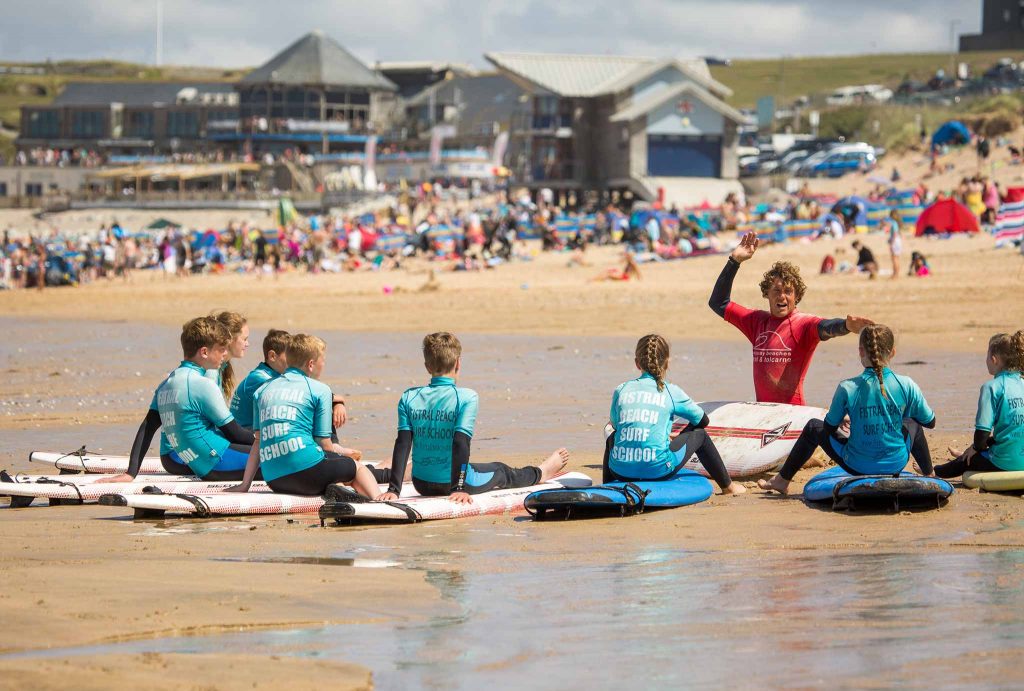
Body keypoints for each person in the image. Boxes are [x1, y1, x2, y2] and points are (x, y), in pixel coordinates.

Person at [376, 332, 569, 503]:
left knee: (470, 466)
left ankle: (402, 485)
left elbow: (403, 444)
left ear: (427, 367)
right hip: (452, 484)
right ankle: (541, 473)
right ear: (458, 363)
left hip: (421, 484)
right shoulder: (466, 398)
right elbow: (460, 443)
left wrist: (394, 489)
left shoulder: (409, 397)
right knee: (501, 470)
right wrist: (458, 488)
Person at [758, 325, 936, 495]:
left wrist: (850, 417)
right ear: (893, 352)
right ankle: (929, 475)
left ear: (861, 351)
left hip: (857, 465)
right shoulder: (906, 384)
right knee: (912, 422)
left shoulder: (847, 387)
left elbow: (828, 428)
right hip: (896, 464)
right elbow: (930, 422)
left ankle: (782, 480)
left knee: (813, 427)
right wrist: (895, 414)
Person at [708, 232, 873, 405]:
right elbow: (718, 303)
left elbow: (826, 327)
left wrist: (846, 325)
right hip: (764, 413)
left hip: (794, 413)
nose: (782, 297)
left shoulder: (803, 324)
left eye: (788, 291)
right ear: (767, 294)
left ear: (797, 296)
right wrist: (734, 261)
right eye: (776, 291)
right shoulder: (756, 321)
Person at [97, 317, 256, 483]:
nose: (225, 353)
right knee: (274, 456)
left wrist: (131, 473)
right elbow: (234, 433)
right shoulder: (202, 385)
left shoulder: (166, 384)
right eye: (221, 349)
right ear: (204, 352)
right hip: (217, 462)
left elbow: (147, 428)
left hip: (200, 463)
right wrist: (267, 441)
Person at [226, 335, 379, 497]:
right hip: (308, 476)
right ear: (311, 364)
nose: (324, 364)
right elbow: (325, 446)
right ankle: (380, 502)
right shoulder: (320, 390)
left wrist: (245, 485)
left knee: (331, 466)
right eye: (323, 360)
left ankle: (337, 487)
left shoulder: (262, 391)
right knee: (356, 467)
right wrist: (344, 461)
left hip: (274, 480)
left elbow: (258, 442)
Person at [604, 335, 745, 495]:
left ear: (637, 363)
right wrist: (681, 435)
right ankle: (728, 487)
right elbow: (702, 420)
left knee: (612, 437)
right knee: (700, 435)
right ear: (667, 362)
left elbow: (615, 425)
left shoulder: (622, 389)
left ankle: (607, 489)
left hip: (620, 472)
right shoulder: (670, 391)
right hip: (658, 471)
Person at [934, 331, 1024, 478]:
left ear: (994, 359)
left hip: (1005, 464)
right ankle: (971, 454)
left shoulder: (992, 387)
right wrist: (976, 447)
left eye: (987, 356)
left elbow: (982, 433)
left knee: (967, 460)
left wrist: (975, 449)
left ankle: (933, 472)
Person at [229, 329, 291, 430]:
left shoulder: (269, 373)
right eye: (289, 356)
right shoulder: (260, 379)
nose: (294, 360)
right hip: (243, 432)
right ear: (272, 356)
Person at [210, 311, 249, 402]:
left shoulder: (222, 367)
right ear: (230, 338)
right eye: (244, 339)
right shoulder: (211, 371)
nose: (247, 344)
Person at [886, 211, 903, 280]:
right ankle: (896, 273)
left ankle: (895, 274)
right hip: (898, 241)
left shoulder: (893, 223)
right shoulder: (898, 223)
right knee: (897, 258)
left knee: (894, 258)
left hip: (895, 241)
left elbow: (895, 233)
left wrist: (891, 242)